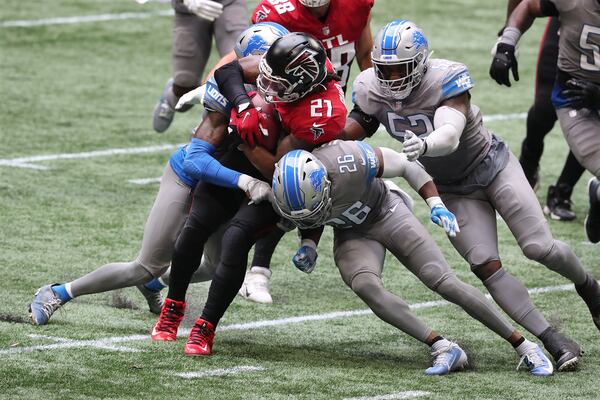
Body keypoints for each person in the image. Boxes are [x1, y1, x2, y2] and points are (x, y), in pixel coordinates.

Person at [344, 19, 598, 371]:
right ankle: (553, 339)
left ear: (420, 62)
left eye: (400, 69)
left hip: (491, 166)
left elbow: (449, 133)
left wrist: (426, 144)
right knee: (486, 266)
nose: (391, 79)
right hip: (452, 190)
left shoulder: (445, 77)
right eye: (385, 70)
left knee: (539, 247)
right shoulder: (370, 88)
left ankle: (588, 286)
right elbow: (355, 127)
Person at [28, 23, 290, 325]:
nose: (279, 69)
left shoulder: (287, 93)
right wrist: (244, 181)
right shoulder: (229, 95)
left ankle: (156, 285)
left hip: (225, 188)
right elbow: (194, 160)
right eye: (269, 60)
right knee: (145, 265)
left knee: (220, 265)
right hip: (191, 178)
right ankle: (59, 292)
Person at [271, 141, 554, 376]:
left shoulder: (349, 160)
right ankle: (443, 347)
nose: (313, 214)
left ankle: (525, 345)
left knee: (442, 281)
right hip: (351, 231)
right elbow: (309, 217)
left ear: (325, 183)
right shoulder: (294, 196)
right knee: (364, 285)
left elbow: (407, 165)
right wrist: (308, 243)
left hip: (386, 211)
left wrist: (436, 204)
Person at [150, 32, 348, 356]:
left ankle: (206, 327)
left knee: (237, 237)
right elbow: (229, 72)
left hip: (285, 176)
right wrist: (243, 104)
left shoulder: (321, 112)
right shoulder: (288, 67)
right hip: (248, 150)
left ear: (302, 88)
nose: (267, 91)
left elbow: (277, 169)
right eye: (266, 79)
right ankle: (174, 304)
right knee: (197, 223)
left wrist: (246, 138)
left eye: (277, 87)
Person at [175, 0, 375, 304]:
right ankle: (255, 267)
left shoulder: (354, 7)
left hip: (316, 107)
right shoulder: (278, 13)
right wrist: (227, 95)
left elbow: (363, 53)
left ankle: (267, 263)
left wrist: (370, 105)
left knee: (300, 181)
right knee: (281, 180)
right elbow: (237, 64)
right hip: (279, 103)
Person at [490, 0, 600, 245]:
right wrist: (507, 39)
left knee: (591, 122)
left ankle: (566, 189)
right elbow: (527, 5)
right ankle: (528, 165)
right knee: (543, 111)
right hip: (570, 49)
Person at [152, 0, 248, 133]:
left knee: (242, 66)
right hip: (188, 8)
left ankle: (217, 132)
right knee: (185, 83)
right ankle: (170, 99)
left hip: (229, 3)